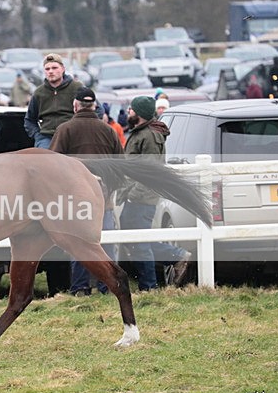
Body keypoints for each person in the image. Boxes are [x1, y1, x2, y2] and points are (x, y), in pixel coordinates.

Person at [50, 87, 123, 296]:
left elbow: (52, 165)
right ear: (95, 106)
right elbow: (121, 165)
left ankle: (80, 288)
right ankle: (108, 286)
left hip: (76, 200)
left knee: (78, 243)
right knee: (105, 243)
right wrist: (110, 191)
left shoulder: (65, 130)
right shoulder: (108, 130)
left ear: (75, 105)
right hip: (103, 198)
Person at [119, 96, 192, 291]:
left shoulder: (149, 136)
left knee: (139, 242)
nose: (128, 113)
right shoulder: (140, 132)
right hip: (136, 196)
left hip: (141, 197)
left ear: (140, 113)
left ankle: (149, 286)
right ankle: (174, 256)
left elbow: (151, 171)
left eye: (132, 110)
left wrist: (134, 194)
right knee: (133, 239)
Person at [23, 53, 84, 148]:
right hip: (47, 138)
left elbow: (96, 110)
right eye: (47, 69)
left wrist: (83, 130)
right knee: (43, 160)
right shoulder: (39, 93)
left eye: (54, 68)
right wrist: (37, 136)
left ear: (63, 69)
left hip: (73, 136)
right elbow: (29, 120)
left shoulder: (77, 88)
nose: (51, 71)